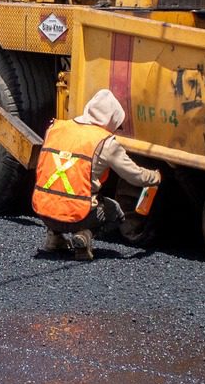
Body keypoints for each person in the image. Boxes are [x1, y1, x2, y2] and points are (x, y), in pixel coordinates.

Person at [29, 89, 162, 261]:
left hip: (43, 210)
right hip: (78, 215)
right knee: (114, 211)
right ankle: (84, 235)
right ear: (112, 119)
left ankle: (54, 237)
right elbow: (135, 176)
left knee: (60, 192)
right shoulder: (105, 143)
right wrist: (156, 177)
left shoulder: (55, 129)